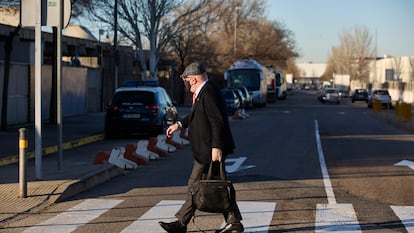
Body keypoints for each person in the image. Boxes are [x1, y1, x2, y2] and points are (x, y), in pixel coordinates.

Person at [159, 62, 244, 233]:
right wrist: (179, 124)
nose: (185, 83)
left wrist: (216, 146)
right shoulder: (204, 91)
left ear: (195, 79)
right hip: (207, 148)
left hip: (209, 149)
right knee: (216, 185)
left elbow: (217, 120)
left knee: (195, 184)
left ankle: (181, 223)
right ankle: (233, 223)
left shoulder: (209, 92)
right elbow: (196, 114)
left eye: (187, 79)